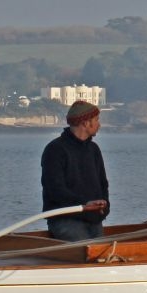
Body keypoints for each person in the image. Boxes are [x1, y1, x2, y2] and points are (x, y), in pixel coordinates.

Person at [41, 100, 109, 242]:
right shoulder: (55, 150)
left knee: (102, 252)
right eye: (96, 120)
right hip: (65, 220)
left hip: (93, 219)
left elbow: (103, 184)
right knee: (88, 251)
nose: (99, 124)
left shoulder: (94, 150)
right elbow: (55, 190)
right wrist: (84, 204)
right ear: (85, 123)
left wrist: (104, 207)